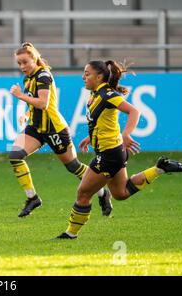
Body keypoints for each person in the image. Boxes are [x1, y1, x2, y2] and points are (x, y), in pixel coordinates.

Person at [55, 60, 182, 239]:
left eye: (87, 73)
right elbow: (103, 121)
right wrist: (91, 137)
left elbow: (134, 112)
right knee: (121, 193)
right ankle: (160, 168)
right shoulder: (95, 95)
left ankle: (70, 234)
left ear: (99, 76)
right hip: (114, 152)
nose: (83, 77)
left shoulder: (107, 94)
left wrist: (126, 134)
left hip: (109, 154)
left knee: (83, 193)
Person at [9, 42, 113, 217]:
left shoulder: (43, 76)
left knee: (73, 166)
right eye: (19, 63)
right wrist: (27, 114)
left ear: (34, 59)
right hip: (36, 127)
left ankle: (102, 192)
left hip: (54, 129)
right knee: (15, 156)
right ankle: (32, 198)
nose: (22, 67)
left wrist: (21, 96)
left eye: (25, 62)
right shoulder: (28, 79)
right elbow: (37, 103)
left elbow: (43, 103)